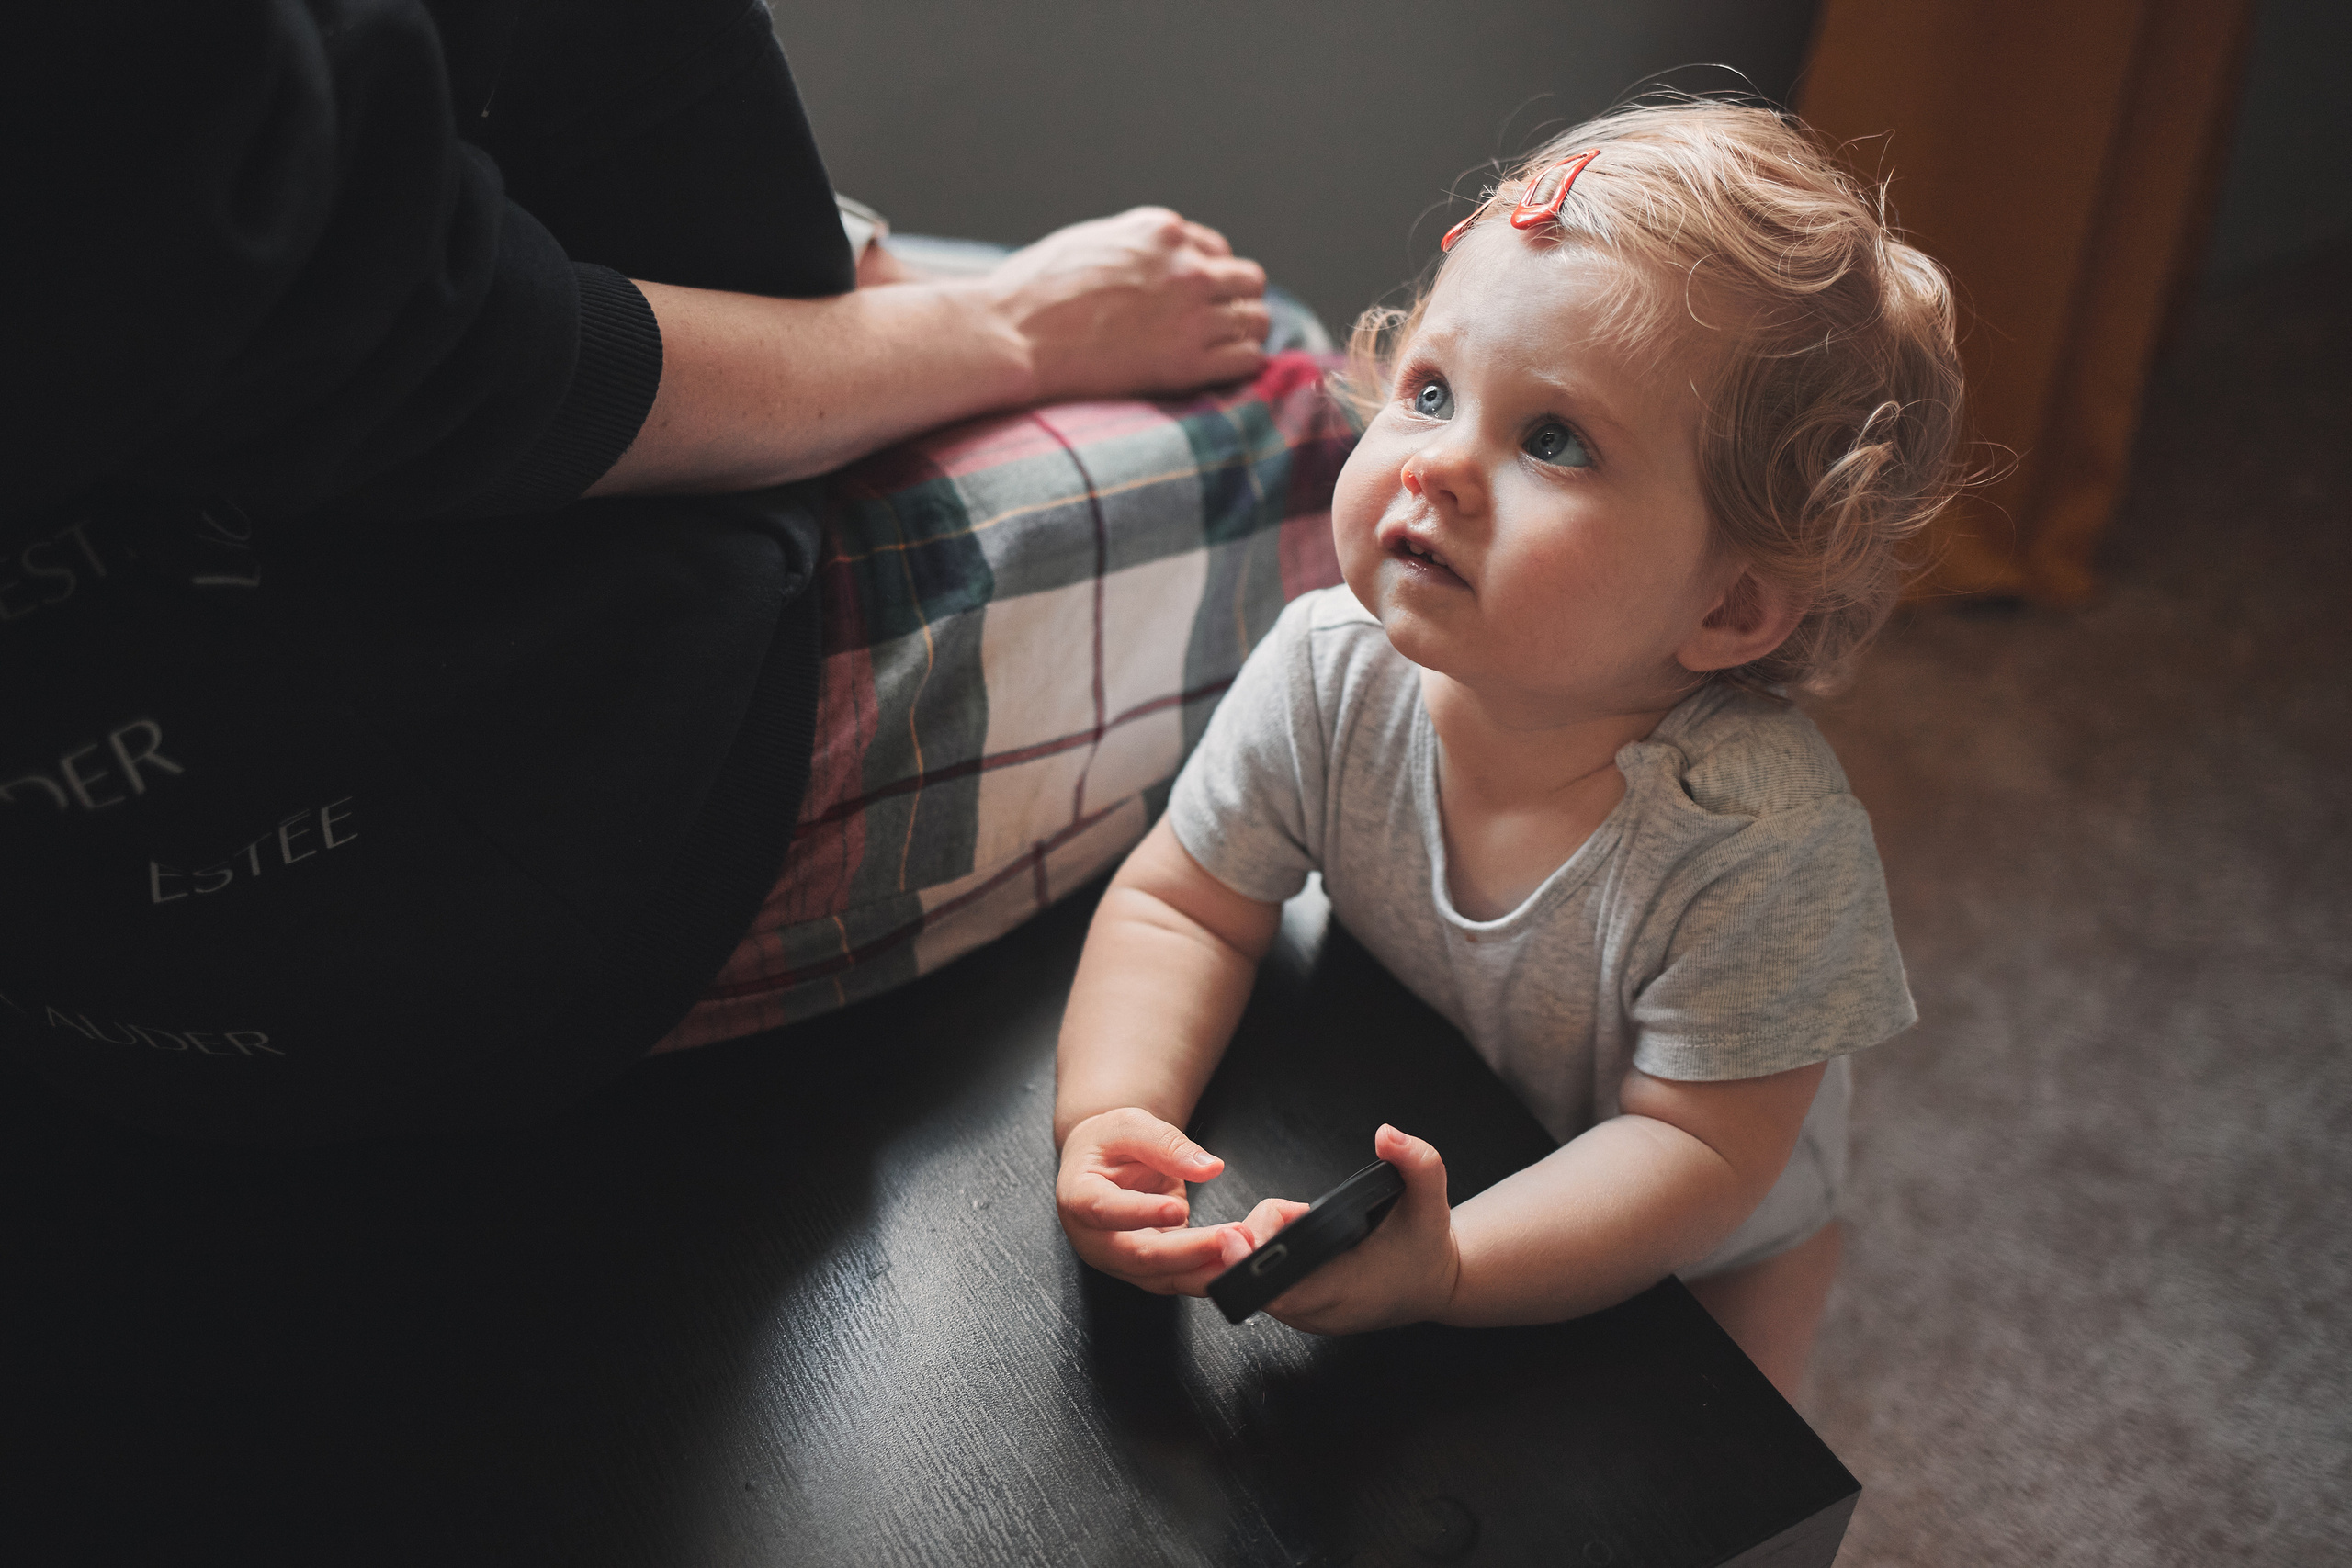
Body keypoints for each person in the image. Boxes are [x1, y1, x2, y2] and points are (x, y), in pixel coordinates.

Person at [0, 1, 1346, 1143]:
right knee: (1304, 392)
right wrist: (1001, 335)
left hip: (391, 396)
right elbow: (460, 354)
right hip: (412, 802)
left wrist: (870, 283)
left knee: (1190, 315)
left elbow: (376, 172)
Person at [1050, 101, 1965, 1397]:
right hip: (1427, 1086)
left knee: (1726, 1461)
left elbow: (1693, 1157)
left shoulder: (1762, 848)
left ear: (1730, 607)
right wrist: (1113, 1114)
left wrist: (1457, 1268)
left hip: (1708, 1227)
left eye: (1553, 440)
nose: (1439, 467)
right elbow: (1184, 906)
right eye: (1431, 392)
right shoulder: (1327, 668)